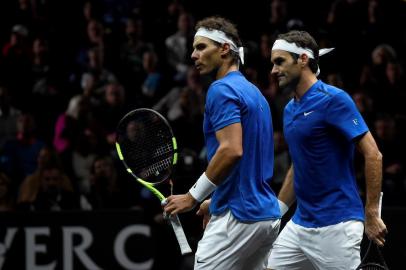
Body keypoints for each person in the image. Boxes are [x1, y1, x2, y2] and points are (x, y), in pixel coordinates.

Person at [163, 16, 281, 270]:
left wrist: (193, 197)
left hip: (238, 217)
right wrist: (214, 201)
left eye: (201, 47)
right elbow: (247, 163)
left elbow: (231, 150)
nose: (193, 55)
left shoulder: (221, 90)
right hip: (265, 215)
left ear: (225, 49)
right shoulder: (255, 93)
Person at [267, 30, 388, 269]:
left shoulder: (334, 99)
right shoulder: (289, 109)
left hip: (337, 226)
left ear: (303, 60)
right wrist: (276, 214)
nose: (273, 70)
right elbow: (297, 165)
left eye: (279, 61)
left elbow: (373, 154)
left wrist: (371, 212)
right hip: (300, 224)